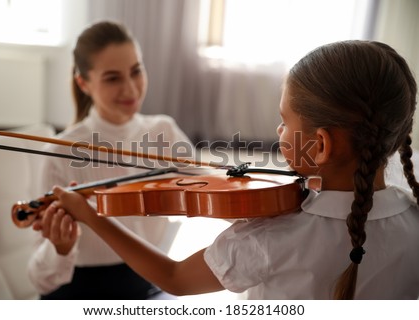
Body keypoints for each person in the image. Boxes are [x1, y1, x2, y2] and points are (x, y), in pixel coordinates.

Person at [41, 40, 419, 299]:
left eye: (283, 121)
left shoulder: (268, 240)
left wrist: (91, 215)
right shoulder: (412, 218)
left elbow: (174, 279)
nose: (279, 131)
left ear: (319, 145)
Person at [27, 21, 194, 299]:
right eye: (113, 78)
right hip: (82, 291)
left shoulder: (163, 130)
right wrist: (61, 249)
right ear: (84, 83)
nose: (130, 88)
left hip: (151, 281)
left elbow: (211, 186)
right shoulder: (59, 151)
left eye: (136, 71)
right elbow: (39, 281)